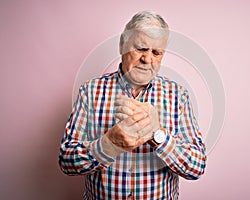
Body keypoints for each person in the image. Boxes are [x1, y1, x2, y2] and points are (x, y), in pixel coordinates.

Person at [59, 10, 207, 200]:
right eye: (141, 48)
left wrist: (156, 134)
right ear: (122, 44)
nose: (147, 59)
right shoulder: (90, 91)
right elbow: (66, 161)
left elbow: (197, 166)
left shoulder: (178, 95)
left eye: (156, 52)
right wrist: (108, 145)